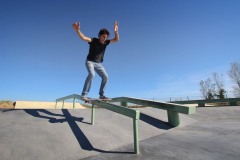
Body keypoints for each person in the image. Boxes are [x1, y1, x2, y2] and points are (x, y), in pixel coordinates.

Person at [72, 21, 119, 100]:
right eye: (103, 36)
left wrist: (116, 32)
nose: (105, 38)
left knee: (105, 77)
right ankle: (84, 94)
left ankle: (102, 95)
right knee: (92, 74)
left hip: (98, 64)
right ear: (99, 36)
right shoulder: (93, 40)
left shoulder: (106, 42)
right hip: (89, 61)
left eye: (106, 37)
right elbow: (83, 38)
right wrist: (77, 30)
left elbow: (116, 39)